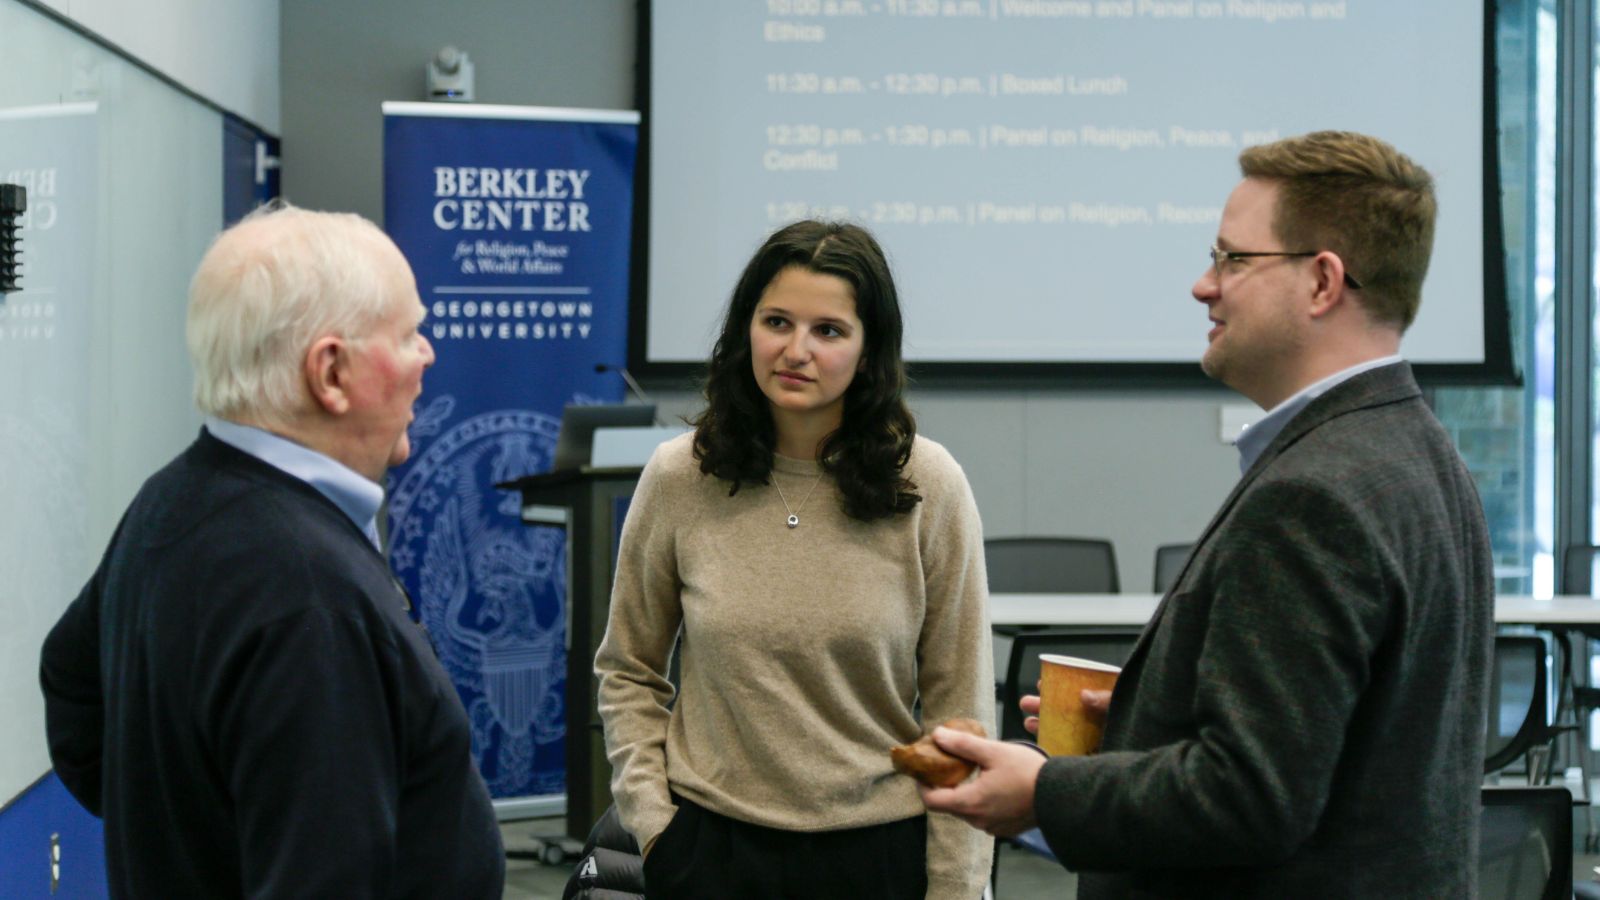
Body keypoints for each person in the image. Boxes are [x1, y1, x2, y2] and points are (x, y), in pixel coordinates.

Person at [920, 130, 1494, 898]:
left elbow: (1249, 798)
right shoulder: (1422, 455)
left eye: (1232, 258)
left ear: (1323, 282)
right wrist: (1153, 714)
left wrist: (1043, 794)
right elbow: (1350, 747)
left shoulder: (1313, 494)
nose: (1203, 285)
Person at [39, 205, 505, 898]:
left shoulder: (170, 500)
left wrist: (185, 837)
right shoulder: (307, 595)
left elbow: (70, 684)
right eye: (410, 334)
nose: (427, 356)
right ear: (331, 373)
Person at [593, 220, 994, 899]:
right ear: (745, 329)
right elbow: (627, 670)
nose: (795, 350)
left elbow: (961, 715)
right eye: (776, 321)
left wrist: (955, 887)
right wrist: (656, 827)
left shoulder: (928, 484)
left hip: (879, 858)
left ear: (869, 352)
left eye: (829, 331)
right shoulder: (677, 479)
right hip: (709, 853)